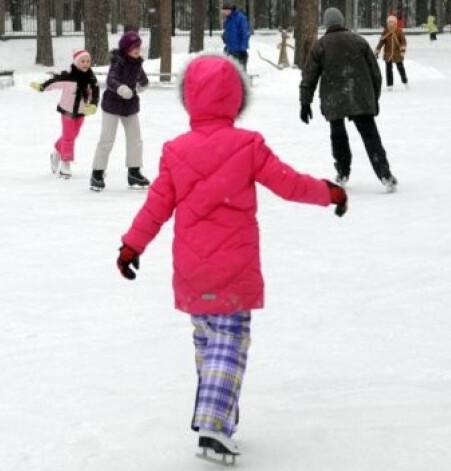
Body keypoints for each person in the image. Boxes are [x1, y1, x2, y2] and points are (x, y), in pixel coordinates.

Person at [116, 55, 348, 460]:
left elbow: (155, 207)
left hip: (191, 270)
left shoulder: (176, 150)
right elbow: (289, 184)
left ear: (189, 100)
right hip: (233, 268)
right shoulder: (247, 145)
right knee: (230, 344)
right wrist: (329, 191)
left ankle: (221, 420)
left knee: (208, 344)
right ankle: (213, 425)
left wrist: (131, 246)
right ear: (237, 99)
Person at [300, 7, 398, 192]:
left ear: (326, 24)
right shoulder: (358, 41)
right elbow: (375, 73)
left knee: (338, 135)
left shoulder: (321, 45)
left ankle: (343, 172)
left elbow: (309, 76)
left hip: (333, 98)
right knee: (370, 135)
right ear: (342, 22)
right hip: (360, 96)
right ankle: (385, 174)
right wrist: (373, 98)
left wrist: (305, 103)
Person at [90, 31, 150, 191]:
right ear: (126, 49)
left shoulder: (137, 62)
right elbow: (111, 80)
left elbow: (142, 78)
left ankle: (134, 172)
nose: (137, 50)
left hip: (130, 105)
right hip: (112, 105)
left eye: (138, 46)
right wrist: (121, 88)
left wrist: (143, 84)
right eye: (133, 47)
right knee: (107, 140)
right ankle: (97, 173)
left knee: (135, 139)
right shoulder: (118, 61)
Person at [31, 49, 99, 179]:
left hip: (81, 111)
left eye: (88, 61)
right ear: (76, 62)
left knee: (73, 136)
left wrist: (94, 104)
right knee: (68, 138)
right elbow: (54, 82)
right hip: (67, 111)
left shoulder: (90, 77)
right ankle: (65, 164)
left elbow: (95, 91)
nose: (85, 64)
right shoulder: (69, 75)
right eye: (82, 61)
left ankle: (56, 151)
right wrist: (42, 87)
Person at [375, 15, 408, 92]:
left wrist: (402, 50)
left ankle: (405, 82)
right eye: (389, 23)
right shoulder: (386, 31)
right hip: (388, 54)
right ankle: (390, 85)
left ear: (395, 23)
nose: (391, 24)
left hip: (397, 54)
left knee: (400, 68)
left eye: (392, 22)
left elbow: (403, 42)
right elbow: (381, 42)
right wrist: (377, 51)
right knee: (388, 69)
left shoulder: (399, 31)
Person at [221, 1, 250, 70]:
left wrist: (243, 48)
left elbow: (245, 33)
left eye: (225, 11)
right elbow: (229, 31)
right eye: (223, 11)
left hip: (238, 49)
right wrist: (224, 36)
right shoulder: (228, 19)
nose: (224, 13)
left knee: (239, 69)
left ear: (229, 9)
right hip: (229, 49)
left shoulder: (240, 18)